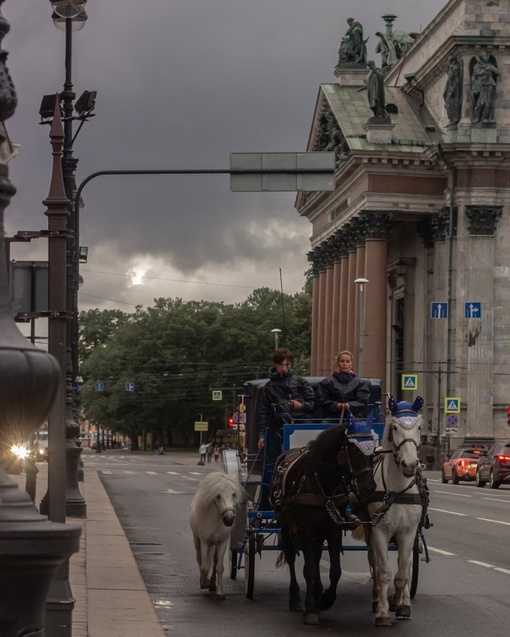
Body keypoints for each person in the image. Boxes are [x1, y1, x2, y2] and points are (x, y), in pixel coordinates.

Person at [257, 348, 315, 461]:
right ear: (275, 364)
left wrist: (301, 406)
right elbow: (263, 412)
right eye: (281, 365)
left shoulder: (300, 382)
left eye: (287, 365)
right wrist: (261, 435)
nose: (284, 368)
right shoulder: (268, 387)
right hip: (279, 426)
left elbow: (313, 404)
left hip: (302, 422)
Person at [315, 350, 370, 421]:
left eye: (347, 361)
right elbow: (321, 399)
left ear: (352, 364)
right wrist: (336, 405)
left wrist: (349, 405)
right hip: (331, 418)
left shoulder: (360, 383)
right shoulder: (327, 382)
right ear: (338, 363)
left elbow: (363, 401)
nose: (345, 364)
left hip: (353, 418)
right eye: (342, 361)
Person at [471, 51, 499, 124]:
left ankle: (487, 118)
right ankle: (476, 117)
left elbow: (497, 72)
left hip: (490, 84)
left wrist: (490, 69)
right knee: (480, 102)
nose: (486, 57)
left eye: (487, 56)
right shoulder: (476, 66)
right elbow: (474, 76)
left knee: (489, 102)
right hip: (481, 86)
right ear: (481, 58)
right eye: (484, 56)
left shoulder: (489, 65)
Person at [443, 54, 463, 126]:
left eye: (449, 60)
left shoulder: (456, 67)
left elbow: (454, 78)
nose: (448, 62)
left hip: (454, 90)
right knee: (448, 104)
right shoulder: (452, 67)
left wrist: (452, 91)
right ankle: (452, 119)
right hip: (451, 88)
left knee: (452, 104)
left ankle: (454, 119)